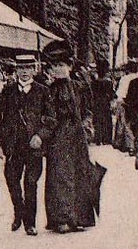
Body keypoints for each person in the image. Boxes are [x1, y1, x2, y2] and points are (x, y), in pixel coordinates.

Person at [36, 41, 101, 234]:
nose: (57, 70)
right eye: (54, 66)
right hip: (58, 136)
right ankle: (61, 218)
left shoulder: (80, 87)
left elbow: (88, 109)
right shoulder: (48, 90)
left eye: (61, 65)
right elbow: (47, 116)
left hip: (77, 135)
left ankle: (80, 218)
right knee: (60, 175)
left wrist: (88, 125)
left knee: (80, 173)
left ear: (70, 66)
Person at [0, 52, 47, 235]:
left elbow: (50, 118)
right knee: (11, 180)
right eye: (21, 68)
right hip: (13, 145)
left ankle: (30, 223)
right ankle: (19, 210)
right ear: (16, 70)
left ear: (34, 69)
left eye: (28, 68)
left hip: (34, 146)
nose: (24, 72)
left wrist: (40, 135)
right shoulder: (8, 91)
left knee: (31, 182)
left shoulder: (42, 91)